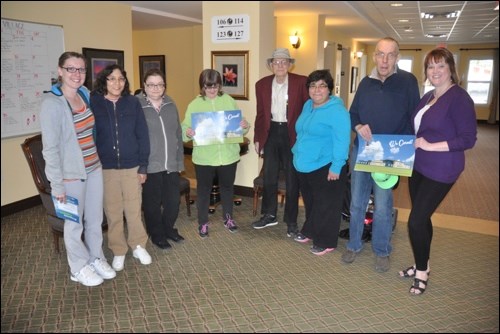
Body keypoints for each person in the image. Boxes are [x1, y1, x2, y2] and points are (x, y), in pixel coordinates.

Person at [399, 47, 477, 295]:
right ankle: (424, 263)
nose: (435, 71)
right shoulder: (429, 96)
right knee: (423, 218)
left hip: (442, 169)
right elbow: (418, 130)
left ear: (450, 69)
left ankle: (421, 272)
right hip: (419, 166)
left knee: (415, 221)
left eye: (440, 66)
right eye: (431, 67)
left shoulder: (459, 98)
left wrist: (431, 145)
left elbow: (468, 139)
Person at [341, 37, 420, 272]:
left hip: (390, 154)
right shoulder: (365, 83)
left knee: (384, 205)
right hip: (363, 151)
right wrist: (358, 127)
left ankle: (382, 249)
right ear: (374, 56)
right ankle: (354, 244)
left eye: (390, 55)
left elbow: (414, 118)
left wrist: (403, 148)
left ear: (397, 57)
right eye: (380, 54)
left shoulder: (407, 82)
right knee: (357, 202)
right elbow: (353, 114)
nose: (384, 60)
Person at [40, 51, 116, 286]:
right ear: (60, 71)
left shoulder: (84, 94)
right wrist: (57, 185)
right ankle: (78, 267)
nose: (76, 74)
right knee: (74, 224)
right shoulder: (52, 104)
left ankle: (96, 257)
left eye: (81, 69)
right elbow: (50, 149)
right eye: (71, 69)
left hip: (93, 168)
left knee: (94, 219)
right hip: (71, 175)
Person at [91, 64, 152, 270]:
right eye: (112, 79)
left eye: (121, 79)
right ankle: (118, 250)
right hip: (106, 167)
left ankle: (137, 245)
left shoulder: (132, 103)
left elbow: (143, 135)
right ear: (104, 81)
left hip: (131, 166)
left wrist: (143, 166)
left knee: (134, 209)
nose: (117, 83)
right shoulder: (95, 102)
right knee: (113, 211)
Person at [181, 69, 250, 238]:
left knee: (227, 189)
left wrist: (244, 124)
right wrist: (188, 132)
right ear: (202, 87)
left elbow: (241, 127)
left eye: (215, 86)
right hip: (204, 157)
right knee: (203, 191)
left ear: (220, 85)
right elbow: (183, 129)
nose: (212, 90)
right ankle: (203, 223)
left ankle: (228, 218)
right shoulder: (194, 105)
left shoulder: (229, 101)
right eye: (208, 86)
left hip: (228, 156)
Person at [291, 70, 351, 255]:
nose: (317, 90)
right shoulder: (308, 105)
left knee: (327, 204)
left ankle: (326, 241)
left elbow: (342, 140)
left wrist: (337, 166)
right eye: (313, 85)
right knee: (312, 202)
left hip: (326, 165)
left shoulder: (337, 111)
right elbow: (302, 132)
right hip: (304, 164)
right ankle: (310, 230)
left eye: (322, 86)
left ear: (329, 89)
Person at [252, 48, 309, 237]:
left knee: (293, 178)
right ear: (271, 65)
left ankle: (291, 220)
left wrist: (305, 137)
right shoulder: (261, 85)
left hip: (292, 133)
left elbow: (308, 110)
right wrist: (258, 138)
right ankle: (269, 214)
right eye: (276, 62)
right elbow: (260, 114)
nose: (280, 65)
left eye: (284, 62)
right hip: (271, 133)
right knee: (269, 176)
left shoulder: (301, 82)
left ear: (290, 64)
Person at [137, 68, 185, 249]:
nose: (156, 88)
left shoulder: (171, 104)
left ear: (164, 86)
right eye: (151, 85)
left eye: (160, 84)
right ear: (144, 86)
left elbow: (177, 134)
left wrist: (179, 161)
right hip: (150, 165)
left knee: (173, 202)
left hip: (171, 164)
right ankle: (157, 234)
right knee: (152, 205)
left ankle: (169, 229)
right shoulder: (137, 105)